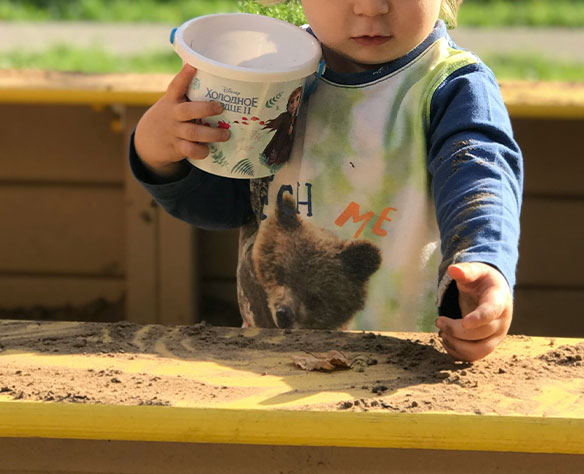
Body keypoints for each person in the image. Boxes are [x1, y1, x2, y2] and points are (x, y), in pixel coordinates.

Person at [130, 0, 523, 362]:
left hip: (408, 363)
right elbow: (227, 205)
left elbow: (482, 178)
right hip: (270, 359)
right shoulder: (271, 77)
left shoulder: (450, 86)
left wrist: (484, 261)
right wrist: (158, 154)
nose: (371, 7)